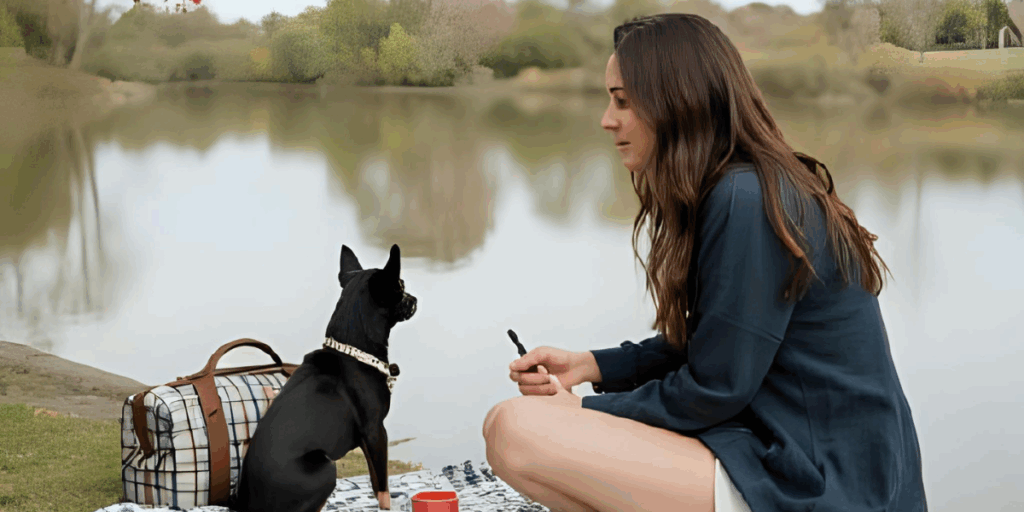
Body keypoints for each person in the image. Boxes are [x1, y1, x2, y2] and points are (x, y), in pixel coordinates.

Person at [481, 13, 927, 512]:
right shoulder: (748, 187)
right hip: (801, 459)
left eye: (622, 100)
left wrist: (585, 407)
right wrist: (592, 365)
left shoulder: (747, 198)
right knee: (517, 428)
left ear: (676, 101)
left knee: (516, 429)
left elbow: (715, 388)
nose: (607, 119)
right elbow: (719, 344)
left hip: (822, 484)